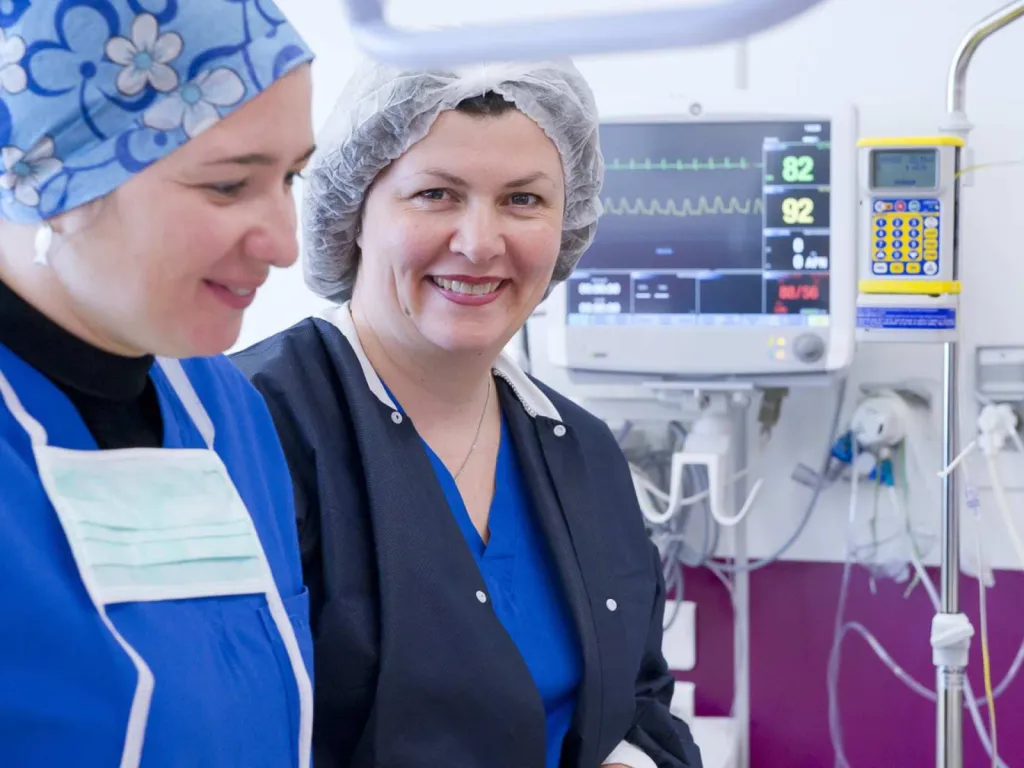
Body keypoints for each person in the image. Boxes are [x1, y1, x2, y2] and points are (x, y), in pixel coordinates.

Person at [232, 61, 703, 768]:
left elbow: (635, 700)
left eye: (522, 200)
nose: (480, 243)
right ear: (355, 213)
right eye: (435, 195)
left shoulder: (582, 450)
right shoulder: (251, 429)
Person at [0, 3, 317, 765]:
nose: (284, 243)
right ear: (54, 180)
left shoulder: (224, 409)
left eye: (293, 177)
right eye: (228, 185)